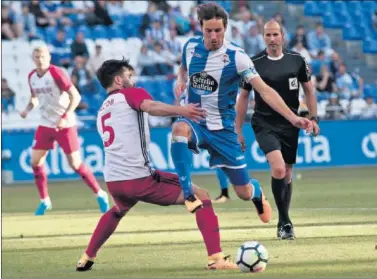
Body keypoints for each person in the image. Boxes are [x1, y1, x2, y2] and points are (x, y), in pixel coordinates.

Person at [76, 58, 238, 272]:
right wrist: (182, 110)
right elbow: (151, 106)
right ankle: (216, 259)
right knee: (202, 196)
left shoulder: (102, 110)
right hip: (139, 179)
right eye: (129, 76)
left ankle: (86, 257)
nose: (132, 81)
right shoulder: (131, 93)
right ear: (118, 79)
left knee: (118, 210)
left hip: (114, 180)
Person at [171, 3, 312, 222]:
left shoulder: (237, 56)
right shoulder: (189, 46)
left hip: (223, 131)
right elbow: (183, 68)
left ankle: (256, 193)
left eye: (218, 30)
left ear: (225, 29)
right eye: (209, 31)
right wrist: (180, 81)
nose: (214, 36)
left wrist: (293, 117)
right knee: (178, 129)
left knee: (243, 192)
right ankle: (187, 192)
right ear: (201, 27)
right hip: (195, 120)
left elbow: (264, 90)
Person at [237, 20, 320, 240]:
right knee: (279, 168)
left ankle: (284, 220)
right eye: (268, 35)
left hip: (291, 124)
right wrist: (238, 130)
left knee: (288, 174)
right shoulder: (253, 63)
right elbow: (243, 97)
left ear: (283, 36)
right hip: (264, 122)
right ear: (263, 37)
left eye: (275, 34)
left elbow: (309, 91)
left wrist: (313, 118)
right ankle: (285, 223)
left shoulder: (297, 60)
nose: (272, 39)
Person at [20, 46, 109, 216]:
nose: (40, 59)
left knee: (75, 164)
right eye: (37, 56)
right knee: (35, 162)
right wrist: (27, 109)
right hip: (46, 124)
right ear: (33, 58)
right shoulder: (32, 76)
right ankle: (45, 201)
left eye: (43, 56)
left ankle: (100, 194)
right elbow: (34, 99)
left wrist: (65, 115)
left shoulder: (56, 73)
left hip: (65, 124)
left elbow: (75, 96)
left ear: (48, 57)